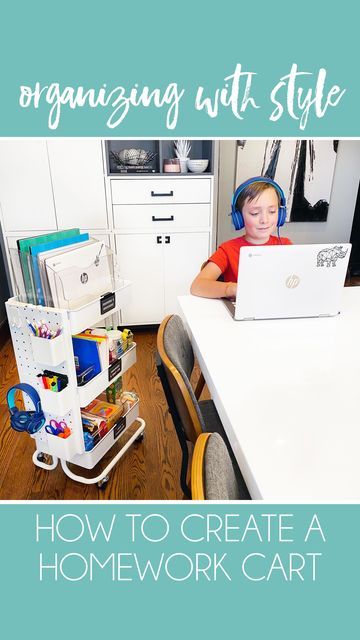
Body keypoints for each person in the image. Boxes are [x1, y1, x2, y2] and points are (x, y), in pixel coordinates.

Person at [190, 177, 292, 299]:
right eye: (255, 213)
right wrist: (231, 289)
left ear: (280, 213)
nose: (264, 220)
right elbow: (197, 286)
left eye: (272, 211)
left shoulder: (286, 246)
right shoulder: (228, 250)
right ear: (238, 217)